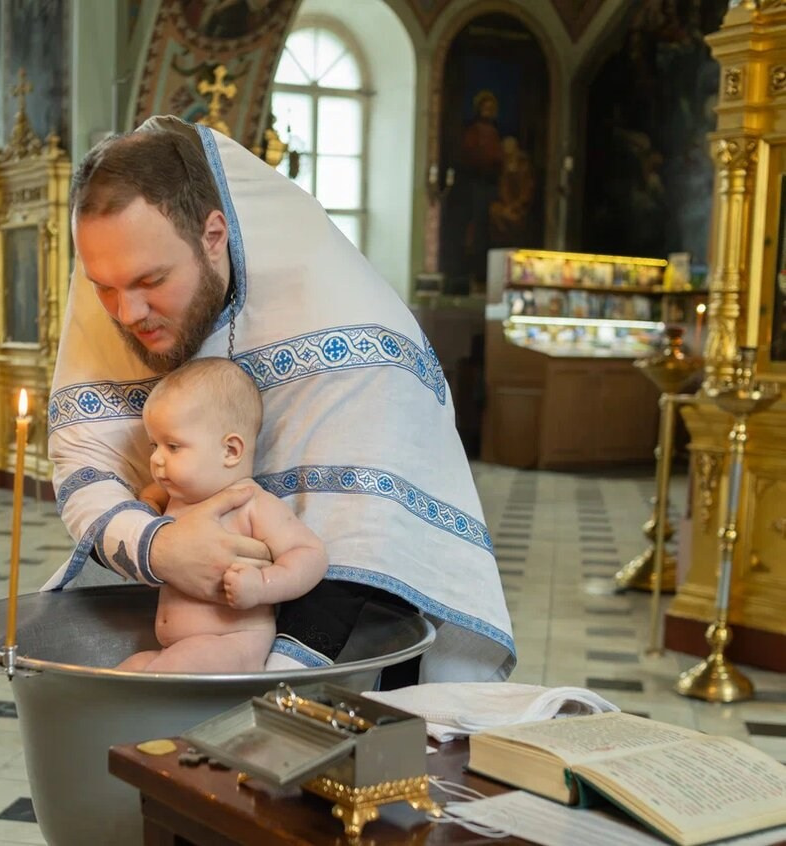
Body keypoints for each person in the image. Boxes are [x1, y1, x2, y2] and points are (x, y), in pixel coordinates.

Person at [45, 115, 515, 685]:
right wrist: (161, 547)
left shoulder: (356, 333)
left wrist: (270, 688)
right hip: (183, 642)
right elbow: (86, 470)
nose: (126, 314)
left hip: (347, 648)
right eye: (104, 287)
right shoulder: (120, 289)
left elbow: (361, 537)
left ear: (212, 236)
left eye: (150, 282)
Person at [116, 357, 327, 673]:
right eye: (153, 445)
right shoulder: (173, 494)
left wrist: (262, 585)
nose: (157, 460)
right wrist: (147, 510)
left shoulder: (250, 503)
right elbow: (148, 497)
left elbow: (311, 555)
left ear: (230, 451)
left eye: (172, 447)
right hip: (173, 647)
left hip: (231, 644)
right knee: (128, 671)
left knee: (169, 671)